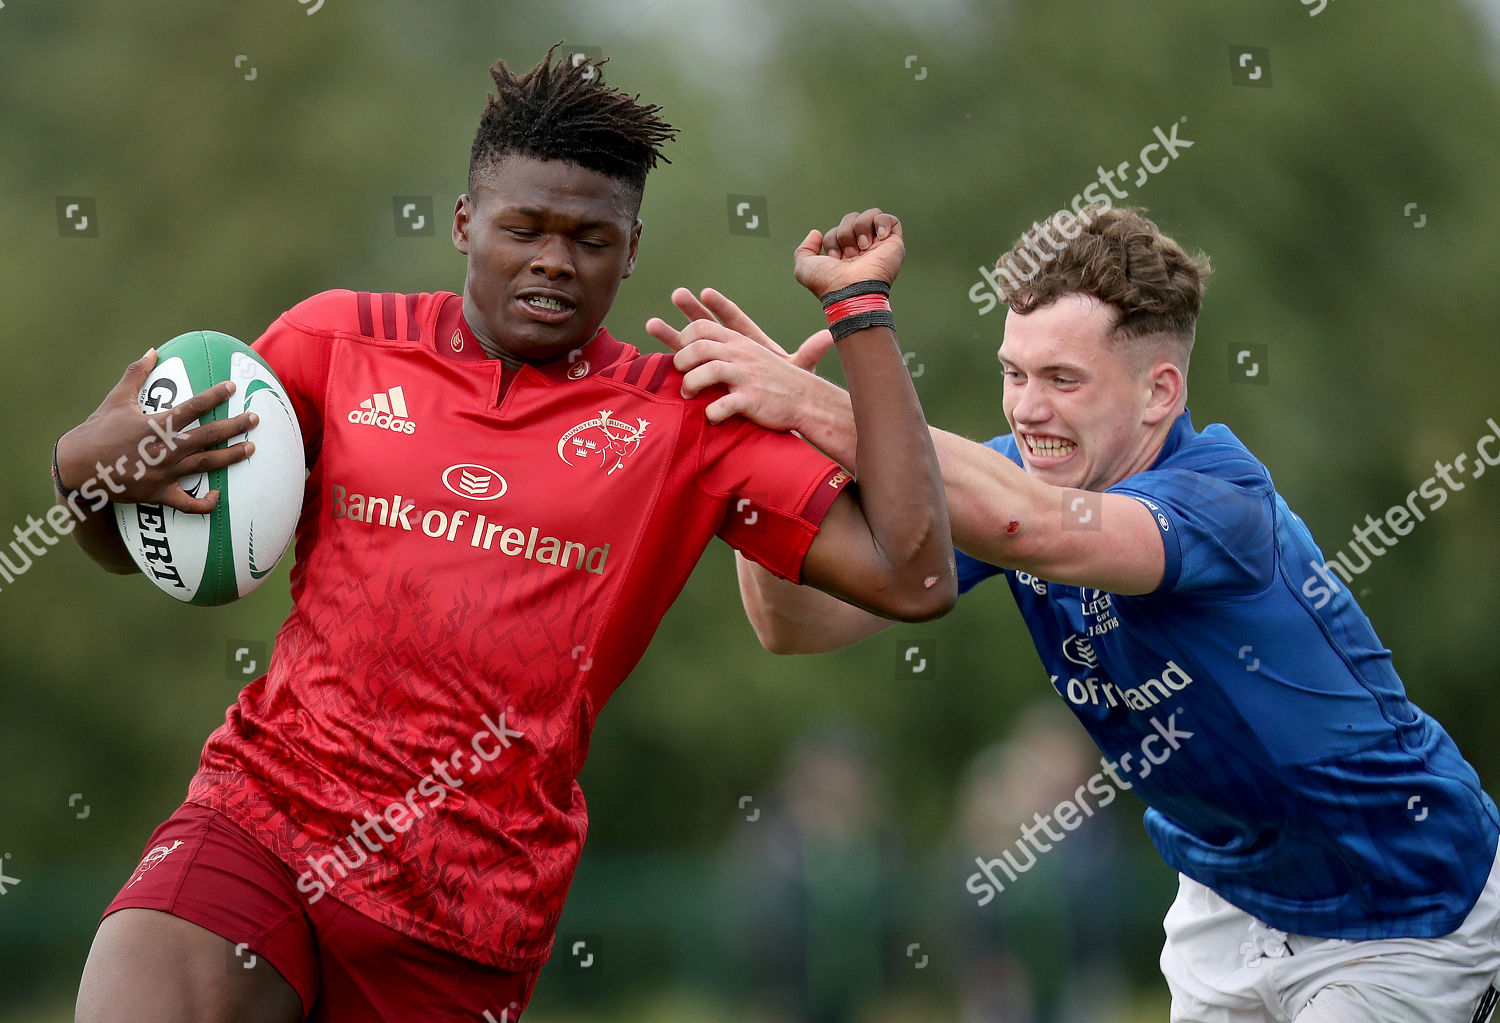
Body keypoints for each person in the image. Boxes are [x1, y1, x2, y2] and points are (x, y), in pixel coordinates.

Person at [57, 47, 954, 1021]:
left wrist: (861, 315)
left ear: (634, 249)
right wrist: (83, 482)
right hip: (261, 819)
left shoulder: (686, 416)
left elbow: (914, 575)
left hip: (462, 911)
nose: (553, 261)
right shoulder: (332, 343)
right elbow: (172, 552)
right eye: (523, 228)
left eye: (590, 239)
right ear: (462, 223)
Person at [650, 205, 1500, 1022]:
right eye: (1013, 374)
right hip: (1229, 896)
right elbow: (796, 624)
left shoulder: (1219, 503)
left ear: (1159, 393)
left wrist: (809, 401)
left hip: (1404, 898)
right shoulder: (1019, 476)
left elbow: (1035, 527)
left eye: (1063, 379)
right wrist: (763, 455)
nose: (1025, 409)